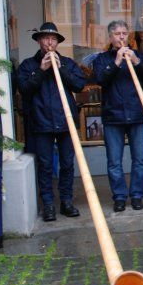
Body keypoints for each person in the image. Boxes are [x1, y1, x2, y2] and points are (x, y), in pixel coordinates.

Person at [16, 22, 85, 222]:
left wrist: (60, 68)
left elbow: (79, 85)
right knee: (45, 165)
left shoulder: (68, 63)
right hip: (41, 121)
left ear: (57, 43)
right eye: (45, 38)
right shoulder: (28, 65)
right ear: (39, 41)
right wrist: (41, 70)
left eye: (53, 39)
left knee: (67, 164)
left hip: (66, 122)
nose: (49, 42)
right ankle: (47, 204)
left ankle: (66, 201)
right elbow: (24, 89)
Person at [91, 20, 143, 212]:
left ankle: (136, 195)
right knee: (114, 161)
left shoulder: (139, 56)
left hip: (137, 115)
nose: (121, 37)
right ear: (110, 37)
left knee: (140, 159)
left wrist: (136, 61)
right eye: (117, 34)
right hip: (113, 116)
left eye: (124, 33)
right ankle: (119, 196)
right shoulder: (102, 59)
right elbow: (100, 79)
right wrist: (117, 62)